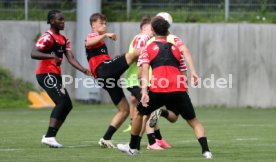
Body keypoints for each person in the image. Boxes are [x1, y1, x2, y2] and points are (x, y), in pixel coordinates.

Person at [117, 16, 212, 159]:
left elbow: (144, 72)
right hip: (178, 89)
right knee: (194, 122)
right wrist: (184, 85)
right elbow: (182, 68)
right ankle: (206, 151)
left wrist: (144, 92)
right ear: (168, 31)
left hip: (158, 89)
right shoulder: (175, 48)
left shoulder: (147, 48)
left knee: (138, 113)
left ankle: (133, 147)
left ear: (153, 31)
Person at [31, 10, 91, 148]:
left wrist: (84, 70)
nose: (63, 22)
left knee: (68, 105)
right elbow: (33, 53)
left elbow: (70, 58)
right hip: (46, 74)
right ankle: (50, 137)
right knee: (62, 102)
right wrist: (52, 57)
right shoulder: (47, 37)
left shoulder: (64, 40)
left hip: (55, 76)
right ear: (52, 21)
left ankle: (49, 136)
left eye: (63, 19)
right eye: (60, 19)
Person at [144, 12, 199, 150]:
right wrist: (189, 76)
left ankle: (140, 144)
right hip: (171, 83)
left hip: (157, 82)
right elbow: (184, 57)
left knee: (152, 114)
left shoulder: (149, 41)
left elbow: (142, 63)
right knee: (147, 113)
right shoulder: (173, 39)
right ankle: (150, 142)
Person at [85, 13, 140, 148]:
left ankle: (106, 138)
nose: (104, 25)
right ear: (93, 25)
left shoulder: (100, 41)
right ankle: (155, 49)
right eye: (101, 23)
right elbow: (88, 42)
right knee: (135, 54)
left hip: (106, 76)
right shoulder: (92, 36)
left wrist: (114, 61)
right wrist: (105, 34)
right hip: (104, 71)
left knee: (124, 110)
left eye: (105, 23)